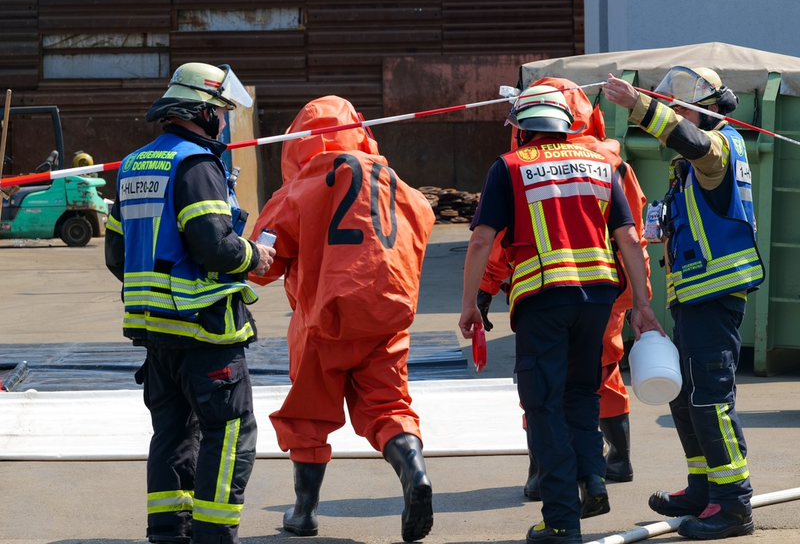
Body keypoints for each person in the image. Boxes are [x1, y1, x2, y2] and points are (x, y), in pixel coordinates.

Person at [459, 85, 662, 544]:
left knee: (543, 404)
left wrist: (471, 303)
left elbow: (480, 241)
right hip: (597, 301)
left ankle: (560, 520)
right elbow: (629, 239)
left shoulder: (509, 167)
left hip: (543, 302)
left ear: (523, 129)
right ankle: (592, 482)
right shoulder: (600, 164)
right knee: (581, 395)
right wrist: (643, 306)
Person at [247, 95, 436, 542]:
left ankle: (304, 512)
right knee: (389, 407)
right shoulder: (396, 183)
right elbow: (424, 221)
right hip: (385, 319)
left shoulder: (299, 187)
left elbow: (263, 265)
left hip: (322, 321)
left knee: (308, 416)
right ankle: (414, 473)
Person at [105, 62, 275, 544]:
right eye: (220, 112)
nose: (222, 122)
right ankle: (213, 536)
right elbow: (215, 247)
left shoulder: (134, 163)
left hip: (155, 333)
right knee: (228, 434)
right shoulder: (197, 164)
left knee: (172, 434)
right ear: (202, 112)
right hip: (206, 331)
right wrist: (255, 256)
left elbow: (117, 255)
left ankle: (167, 532)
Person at [603, 67, 764, 540]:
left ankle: (733, 505)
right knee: (687, 398)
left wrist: (639, 106)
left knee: (711, 399)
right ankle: (704, 487)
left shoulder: (719, 147)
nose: (676, 114)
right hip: (694, 298)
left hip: (716, 296)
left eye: (683, 108)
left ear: (710, 109)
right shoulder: (692, 169)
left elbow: (692, 141)